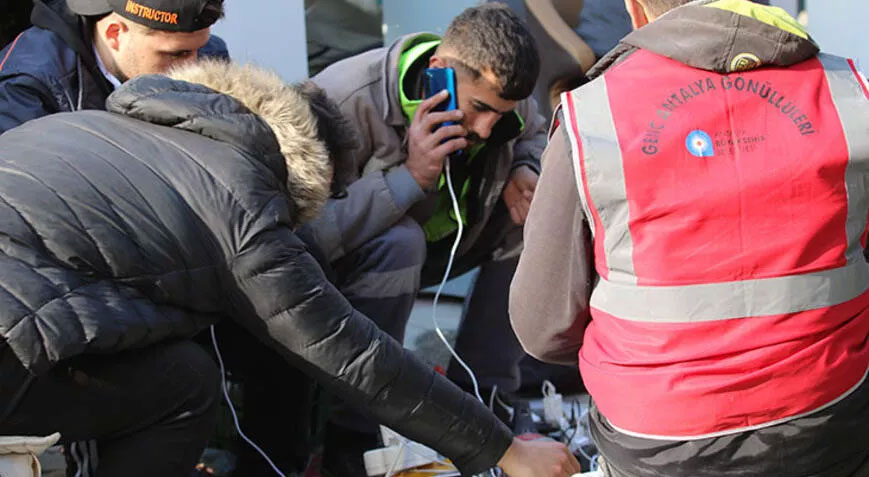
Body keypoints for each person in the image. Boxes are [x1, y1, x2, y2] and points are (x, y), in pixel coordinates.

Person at [0, 59, 580, 477]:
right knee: (186, 386)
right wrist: (505, 450)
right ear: (308, 175)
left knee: (177, 366)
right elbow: (355, 357)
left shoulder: (93, 125)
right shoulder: (240, 203)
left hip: (21, 319)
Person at [511, 1, 869, 476]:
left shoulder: (593, 116)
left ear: (635, 8)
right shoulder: (851, 93)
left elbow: (541, 328)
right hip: (827, 418)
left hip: (655, 439)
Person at [305, 4, 548, 472]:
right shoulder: (342, 99)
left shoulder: (503, 98)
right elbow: (309, 234)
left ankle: (485, 402)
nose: (485, 129)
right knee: (401, 241)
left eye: (500, 115)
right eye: (479, 109)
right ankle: (356, 433)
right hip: (352, 268)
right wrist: (410, 178)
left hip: (453, 239)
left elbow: (534, 130)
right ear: (440, 70)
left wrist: (525, 167)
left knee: (531, 217)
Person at [0, 0, 228, 134]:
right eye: (176, 54)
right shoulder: (26, 89)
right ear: (115, 34)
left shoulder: (210, 56)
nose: (192, 69)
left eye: (200, 47)